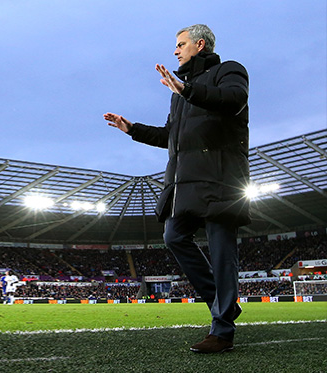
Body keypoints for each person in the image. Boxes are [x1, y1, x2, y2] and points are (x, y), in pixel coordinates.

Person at [104, 24, 248, 353]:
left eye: (181, 44)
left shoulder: (230, 71)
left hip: (222, 178)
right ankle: (223, 303)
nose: (175, 50)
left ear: (200, 45)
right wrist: (132, 129)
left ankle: (222, 329)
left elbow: (234, 100)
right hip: (185, 183)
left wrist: (187, 91)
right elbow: (172, 136)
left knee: (223, 252)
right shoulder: (180, 92)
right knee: (173, 236)